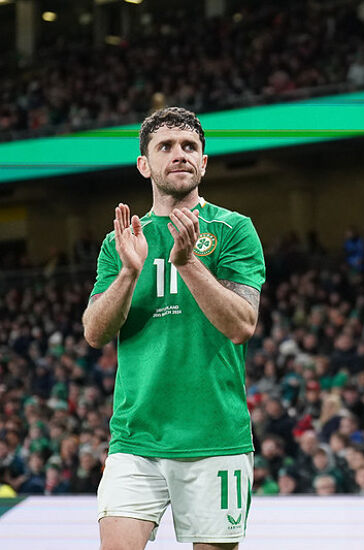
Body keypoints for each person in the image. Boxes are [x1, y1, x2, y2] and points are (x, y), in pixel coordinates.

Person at [82, 107, 265, 550]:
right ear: (145, 164)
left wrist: (188, 265)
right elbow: (94, 332)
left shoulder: (234, 229)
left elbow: (242, 324)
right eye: (165, 147)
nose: (179, 154)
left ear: (203, 162)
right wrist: (128, 272)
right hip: (135, 437)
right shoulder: (121, 240)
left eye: (189, 147)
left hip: (216, 438)